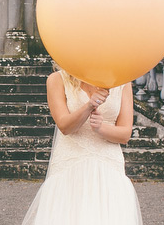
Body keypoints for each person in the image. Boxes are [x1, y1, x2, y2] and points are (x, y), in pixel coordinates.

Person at [22, 67, 143, 224]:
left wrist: (101, 128)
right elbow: (65, 126)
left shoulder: (122, 83)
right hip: (69, 164)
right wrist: (88, 106)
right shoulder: (57, 79)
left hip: (108, 165)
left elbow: (125, 134)